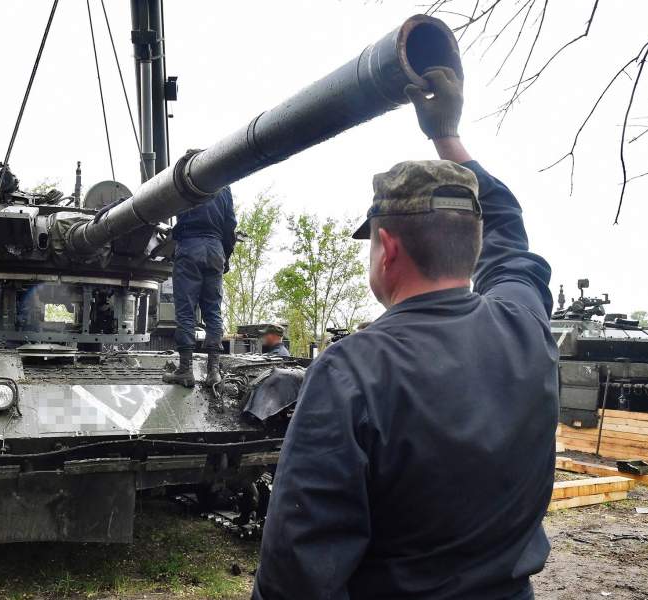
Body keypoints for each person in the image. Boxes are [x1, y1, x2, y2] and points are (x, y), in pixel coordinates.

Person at [252, 67, 558, 600]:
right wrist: (448, 135)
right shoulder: (526, 328)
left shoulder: (352, 372)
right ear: (474, 244)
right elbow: (508, 227)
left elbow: (298, 572)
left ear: (387, 247)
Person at [162, 186, 236, 388]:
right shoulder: (224, 185)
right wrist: (225, 256)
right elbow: (230, 224)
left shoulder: (186, 179)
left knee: (186, 311)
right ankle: (213, 371)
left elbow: (163, 207)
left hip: (189, 246)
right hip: (215, 249)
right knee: (213, 311)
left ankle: (185, 370)